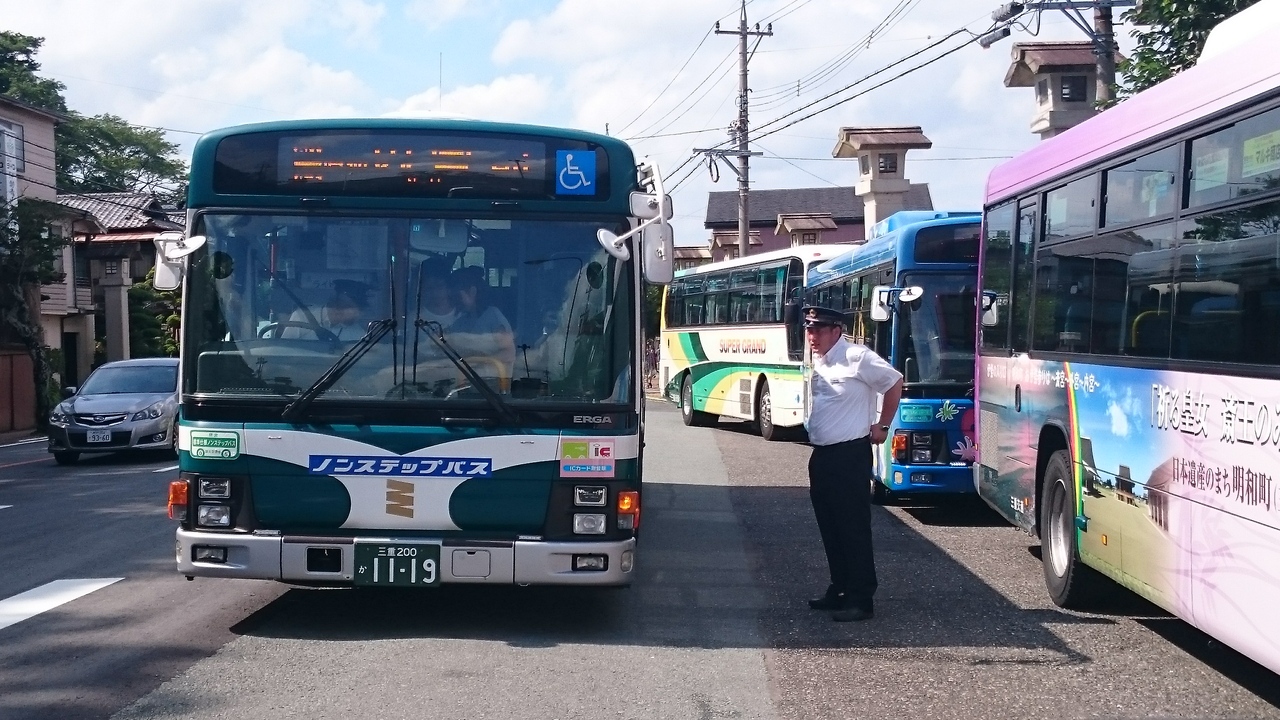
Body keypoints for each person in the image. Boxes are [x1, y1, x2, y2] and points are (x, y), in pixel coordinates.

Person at [802, 305, 903, 622]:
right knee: (830, 527)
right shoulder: (822, 361)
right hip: (823, 455)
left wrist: (883, 425)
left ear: (836, 331)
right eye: (809, 330)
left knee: (852, 528)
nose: (811, 336)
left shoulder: (857, 357)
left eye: (818, 330)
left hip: (849, 455)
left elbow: (894, 382)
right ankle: (840, 587)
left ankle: (861, 598)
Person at [447, 265, 516, 380]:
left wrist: (477, 364)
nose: (454, 301)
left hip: (490, 383)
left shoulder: (493, 316)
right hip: (463, 380)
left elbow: (508, 353)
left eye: (457, 296)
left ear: (472, 292)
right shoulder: (461, 322)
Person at [282, 280, 369, 340]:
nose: (358, 315)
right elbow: (285, 350)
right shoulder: (301, 316)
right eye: (355, 309)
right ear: (339, 307)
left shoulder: (357, 332)